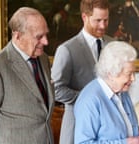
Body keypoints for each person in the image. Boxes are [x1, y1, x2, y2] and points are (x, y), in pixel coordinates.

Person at [51, 0, 114, 143]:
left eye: (106, 20)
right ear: (84, 17)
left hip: (108, 129)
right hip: (76, 127)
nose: (103, 26)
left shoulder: (113, 44)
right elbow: (56, 89)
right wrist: (89, 98)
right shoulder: (67, 49)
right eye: (98, 20)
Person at [74, 41, 139, 144]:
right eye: (129, 74)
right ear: (110, 74)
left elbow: (121, 128)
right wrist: (125, 143)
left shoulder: (122, 90)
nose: (133, 78)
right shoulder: (89, 100)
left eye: (134, 72)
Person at [0, 7, 54, 144]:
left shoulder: (44, 59)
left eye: (46, 35)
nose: (46, 42)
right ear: (18, 36)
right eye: (39, 37)